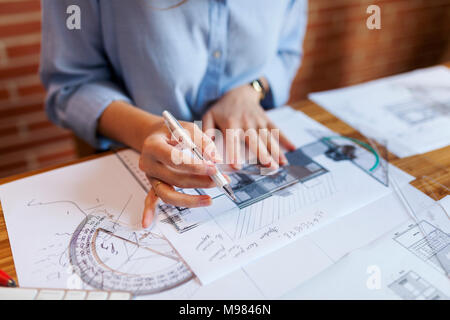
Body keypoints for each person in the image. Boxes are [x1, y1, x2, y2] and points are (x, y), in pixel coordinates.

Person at [40, 0, 308, 228]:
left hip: (247, 149)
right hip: (130, 162)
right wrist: (145, 129)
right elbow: (71, 85)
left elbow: (287, 50)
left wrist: (253, 89)